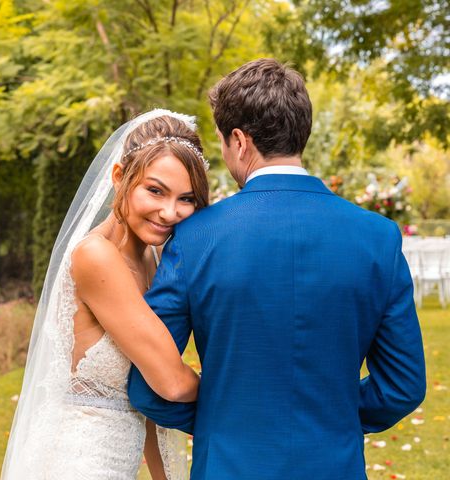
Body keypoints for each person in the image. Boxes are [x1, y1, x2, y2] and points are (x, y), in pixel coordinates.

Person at [128, 59, 426, 479]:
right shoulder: (378, 237)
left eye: (222, 143)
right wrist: (329, 418)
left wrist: (224, 420)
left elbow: (146, 382)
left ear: (239, 140)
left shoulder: (195, 238)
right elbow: (402, 386)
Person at [1, 110, 210, 480]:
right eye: (155, 190)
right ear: (120, 177)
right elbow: (171, 381)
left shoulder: (154, 257)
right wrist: (243, 387)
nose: (170, 212)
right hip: (76, 462)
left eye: (186, 199)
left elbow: (145, 394)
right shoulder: (96, 256)